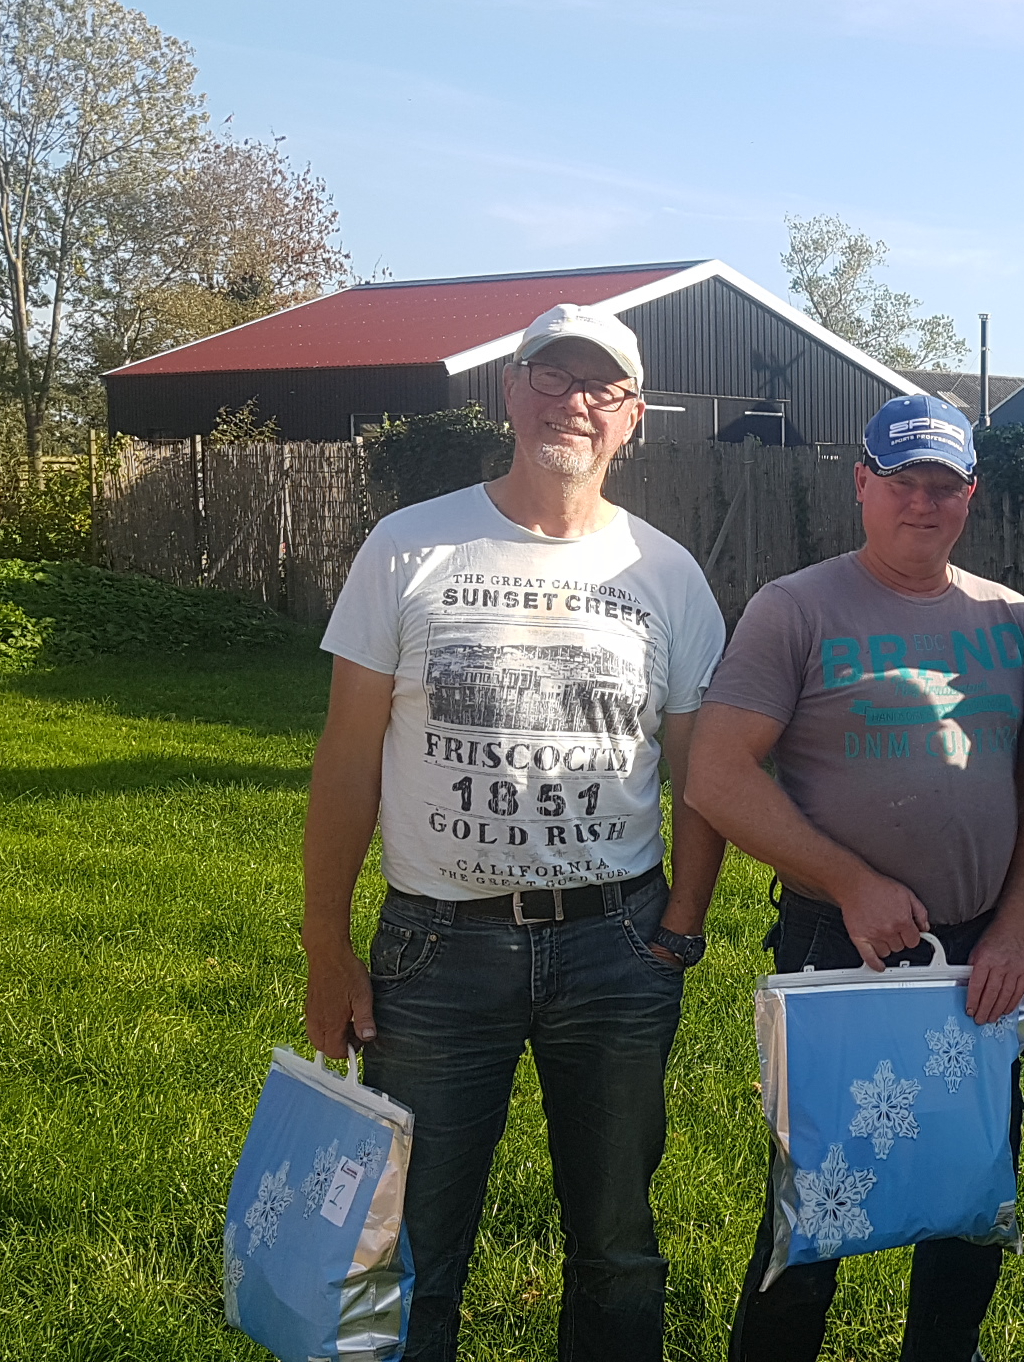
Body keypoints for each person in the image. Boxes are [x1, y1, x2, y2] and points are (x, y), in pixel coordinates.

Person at [301, 303, 730, 1361]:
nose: (573, 402)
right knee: (408, 1247)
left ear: (632, 416)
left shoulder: (667, 574)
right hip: (438, 949)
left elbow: (702, 770)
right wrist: (326, 943)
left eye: (600, 386)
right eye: (551, 376)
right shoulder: (408, 546)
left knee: (618, 1247)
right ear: (510, 390)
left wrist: (681, 921)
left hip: (616, 947)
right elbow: (347, 758)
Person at [684, 394, 1024, 1362]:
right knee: (812, 1214)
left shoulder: (1013, 619)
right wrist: (851, 882)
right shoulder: (796, 608)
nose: (921, 503)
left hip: (979, 952)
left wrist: (1016, 924)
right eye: (901, 481)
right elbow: (715, 774)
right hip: (838, 946)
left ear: (971, 495)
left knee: (970, 1201)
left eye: (942, 485)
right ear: (860, 483)